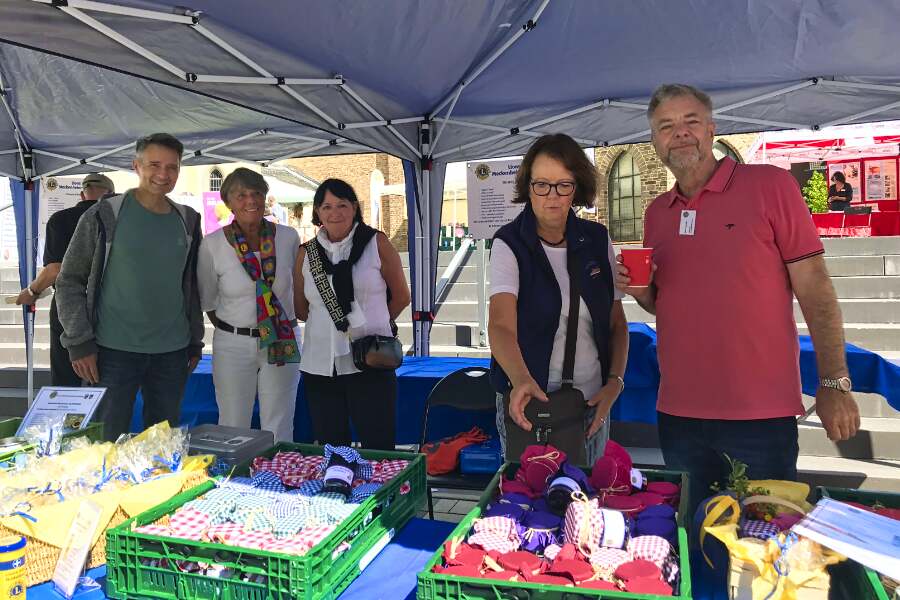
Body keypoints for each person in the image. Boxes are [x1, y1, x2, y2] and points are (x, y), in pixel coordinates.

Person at [615, 84, 860, 509]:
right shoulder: (657, 212)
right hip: (679, 415)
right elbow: (663, 302)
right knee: (695, 538)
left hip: (760, 416)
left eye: (691, 121)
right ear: (654, 141)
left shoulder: (771, 186)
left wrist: (834, 382)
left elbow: (816, 290)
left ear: (711, 129)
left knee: (763, 544)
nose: (680, 134)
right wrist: (639, 291)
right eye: (666, 126)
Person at [489, 133, 629, 464]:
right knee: (528, 504)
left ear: (577, 188)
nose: (552, 196)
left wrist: (614, 383)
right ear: (528, 187)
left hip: (590, 402)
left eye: (563, 185)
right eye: (541, 185)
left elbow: (616, 323)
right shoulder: (509, 243)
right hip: (531, 400)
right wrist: (521, 379)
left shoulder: (596, 240)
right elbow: (500, 326)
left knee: (586, 502)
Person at [56, 133, 204, 441]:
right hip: (112, 352)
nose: (163, 174)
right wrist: (79, 341)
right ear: (136, 166)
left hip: (172, 351)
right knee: (105, 443)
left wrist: (194, 340)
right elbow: (69, 280)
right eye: (154, 164)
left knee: (161, 447)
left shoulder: (188, 220)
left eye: (172, 167)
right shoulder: (104, 214)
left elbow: (189, 284)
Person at [293, 178, 410, 450]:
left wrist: (374, 324)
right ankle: (340, 490)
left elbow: (402, 296)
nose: (335, 213)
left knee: (378, 445)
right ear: (317, 212)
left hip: (369, 360)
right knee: (333, 447)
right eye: (327, 206)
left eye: (342, 205)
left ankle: (381, 493)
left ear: (355, 207)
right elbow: (301, 308)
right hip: (320, 364)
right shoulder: (305, 254)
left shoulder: (376, 243)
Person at [197, 168, 301, 442]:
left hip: (282, 336)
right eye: (241, 195)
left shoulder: (288, 238)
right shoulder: (213, 244)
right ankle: (235, 478)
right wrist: (239, 326)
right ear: (228, 202)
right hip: (234, 341)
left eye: (257, 193)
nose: (250, 200)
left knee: (279, 420)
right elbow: (208, 298)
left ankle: (277, 477)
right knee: (233, 421)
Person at [16, 173, 115, 386]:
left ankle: (70, 419)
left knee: (66, 377)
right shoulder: (116, 219)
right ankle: (103, 419)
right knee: (108, 378)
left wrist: (31, 292)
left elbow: (54, 270)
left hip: (68, 307)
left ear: (82, 194)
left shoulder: (60, 219)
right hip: (109, 306)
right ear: (111, 194)